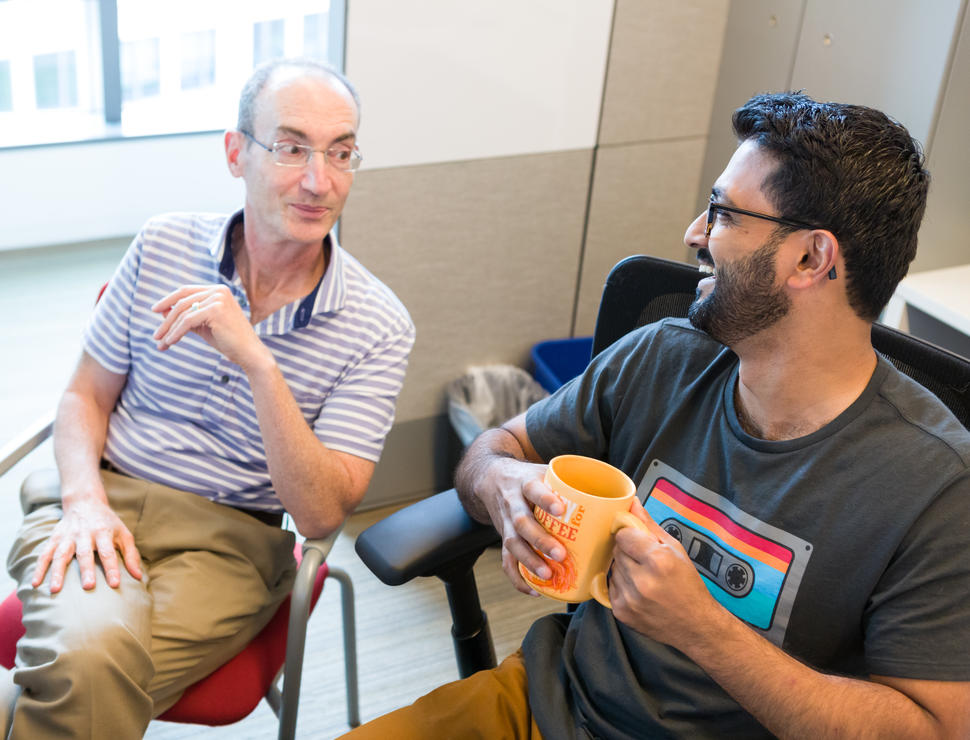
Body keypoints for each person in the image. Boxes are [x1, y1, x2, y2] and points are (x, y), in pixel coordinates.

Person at [342, 92, 970, 738]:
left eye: (723, 213)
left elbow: (933, 731)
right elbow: (492, 449)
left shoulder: (936, 486)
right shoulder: (661, 357)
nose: (695, 232)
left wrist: (706, 633)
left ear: (811, 259)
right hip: (548, 707)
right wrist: (504, 490)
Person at [1, 58, 414, 738]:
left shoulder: (377, 324)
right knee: (86, 666)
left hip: (231, 546)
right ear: (235, 153)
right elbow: (83, 397)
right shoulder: (163, 242)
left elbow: (317, 515)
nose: (320, 181)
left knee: (83, 662)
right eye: (290, 148)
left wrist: (258, 362)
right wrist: (82, 503)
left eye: (341, 153)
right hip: (99, 499)